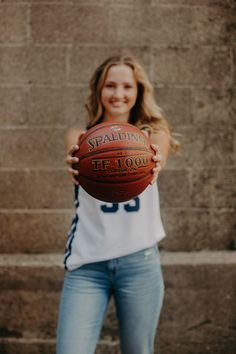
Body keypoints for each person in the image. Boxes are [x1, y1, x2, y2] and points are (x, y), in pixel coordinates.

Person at [56, 55, 179, 354]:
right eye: (110, 85)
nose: (118, 94)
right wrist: (77, 166)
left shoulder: (153, 136)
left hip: (140, 262)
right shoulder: (80, 137)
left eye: (127, 86)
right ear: (99, 90)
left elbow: (156, 161)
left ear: (138, 91)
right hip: (88, 263)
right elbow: (74, 163)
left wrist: (152, 162)